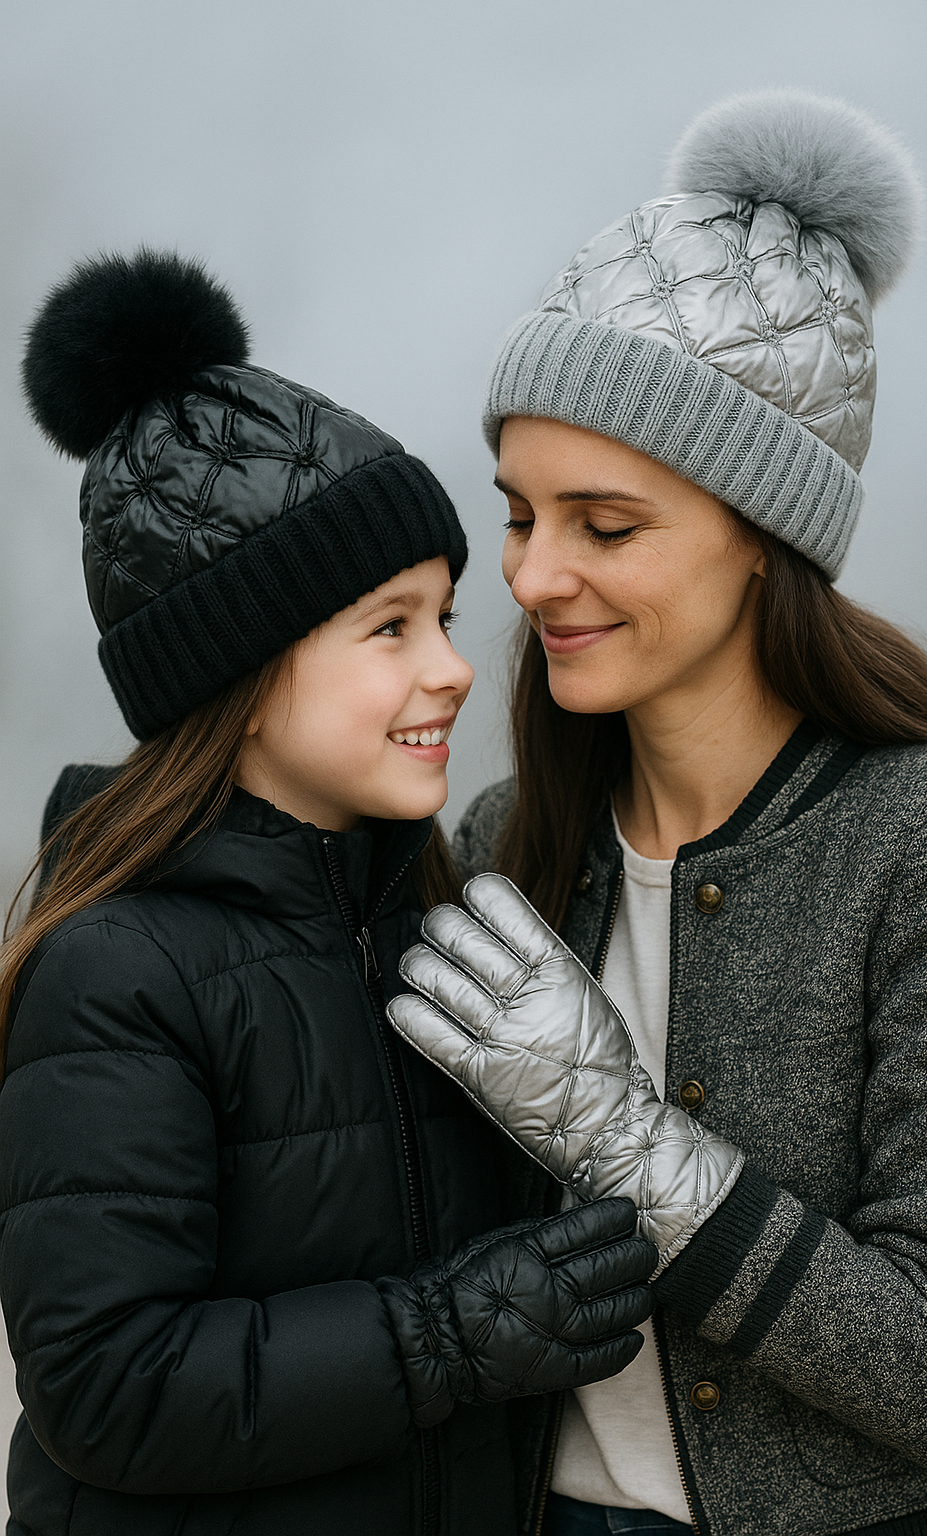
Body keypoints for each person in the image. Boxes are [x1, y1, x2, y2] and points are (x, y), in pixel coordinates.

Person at [385, 92, 927, 1536]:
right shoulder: (501, 847)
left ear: (765, 543)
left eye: (606, 526)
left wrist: (623, 1144)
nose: (537, 576)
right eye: (521, 513)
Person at [0, 250, 657, 1536]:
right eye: (390, 628)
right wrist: (448, 1336)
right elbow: (105, 1387)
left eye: (447, 618)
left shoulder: (435, 924)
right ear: (237, 675)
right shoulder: (116, 970)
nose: (457, 671)